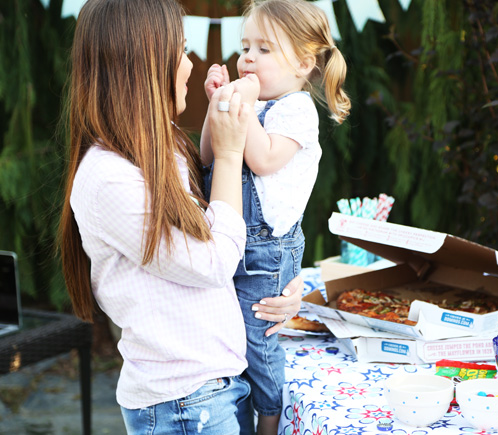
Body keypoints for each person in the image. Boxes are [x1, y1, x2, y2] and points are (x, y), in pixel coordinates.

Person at [57, 0, 302, 433]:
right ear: (143, 64)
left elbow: (228, 245)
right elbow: (212, 262)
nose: (190, 64)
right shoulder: (109, 178)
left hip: (213, 390)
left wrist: (281, 286)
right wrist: (228, 153)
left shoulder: (158, 151)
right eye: (181, 50)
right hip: (185, 404)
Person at [200, 0, 350, 433]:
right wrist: (217, 107)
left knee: (257, 341)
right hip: (230, 239)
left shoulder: (296, 111)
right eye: (245, 46)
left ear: (303, 63)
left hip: (266, 248)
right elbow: (209, 155)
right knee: (228, 340)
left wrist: (240, 106)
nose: (247, 57)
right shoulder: (256, 105)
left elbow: (263, 159)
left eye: (264, 49)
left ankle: (270, 420)